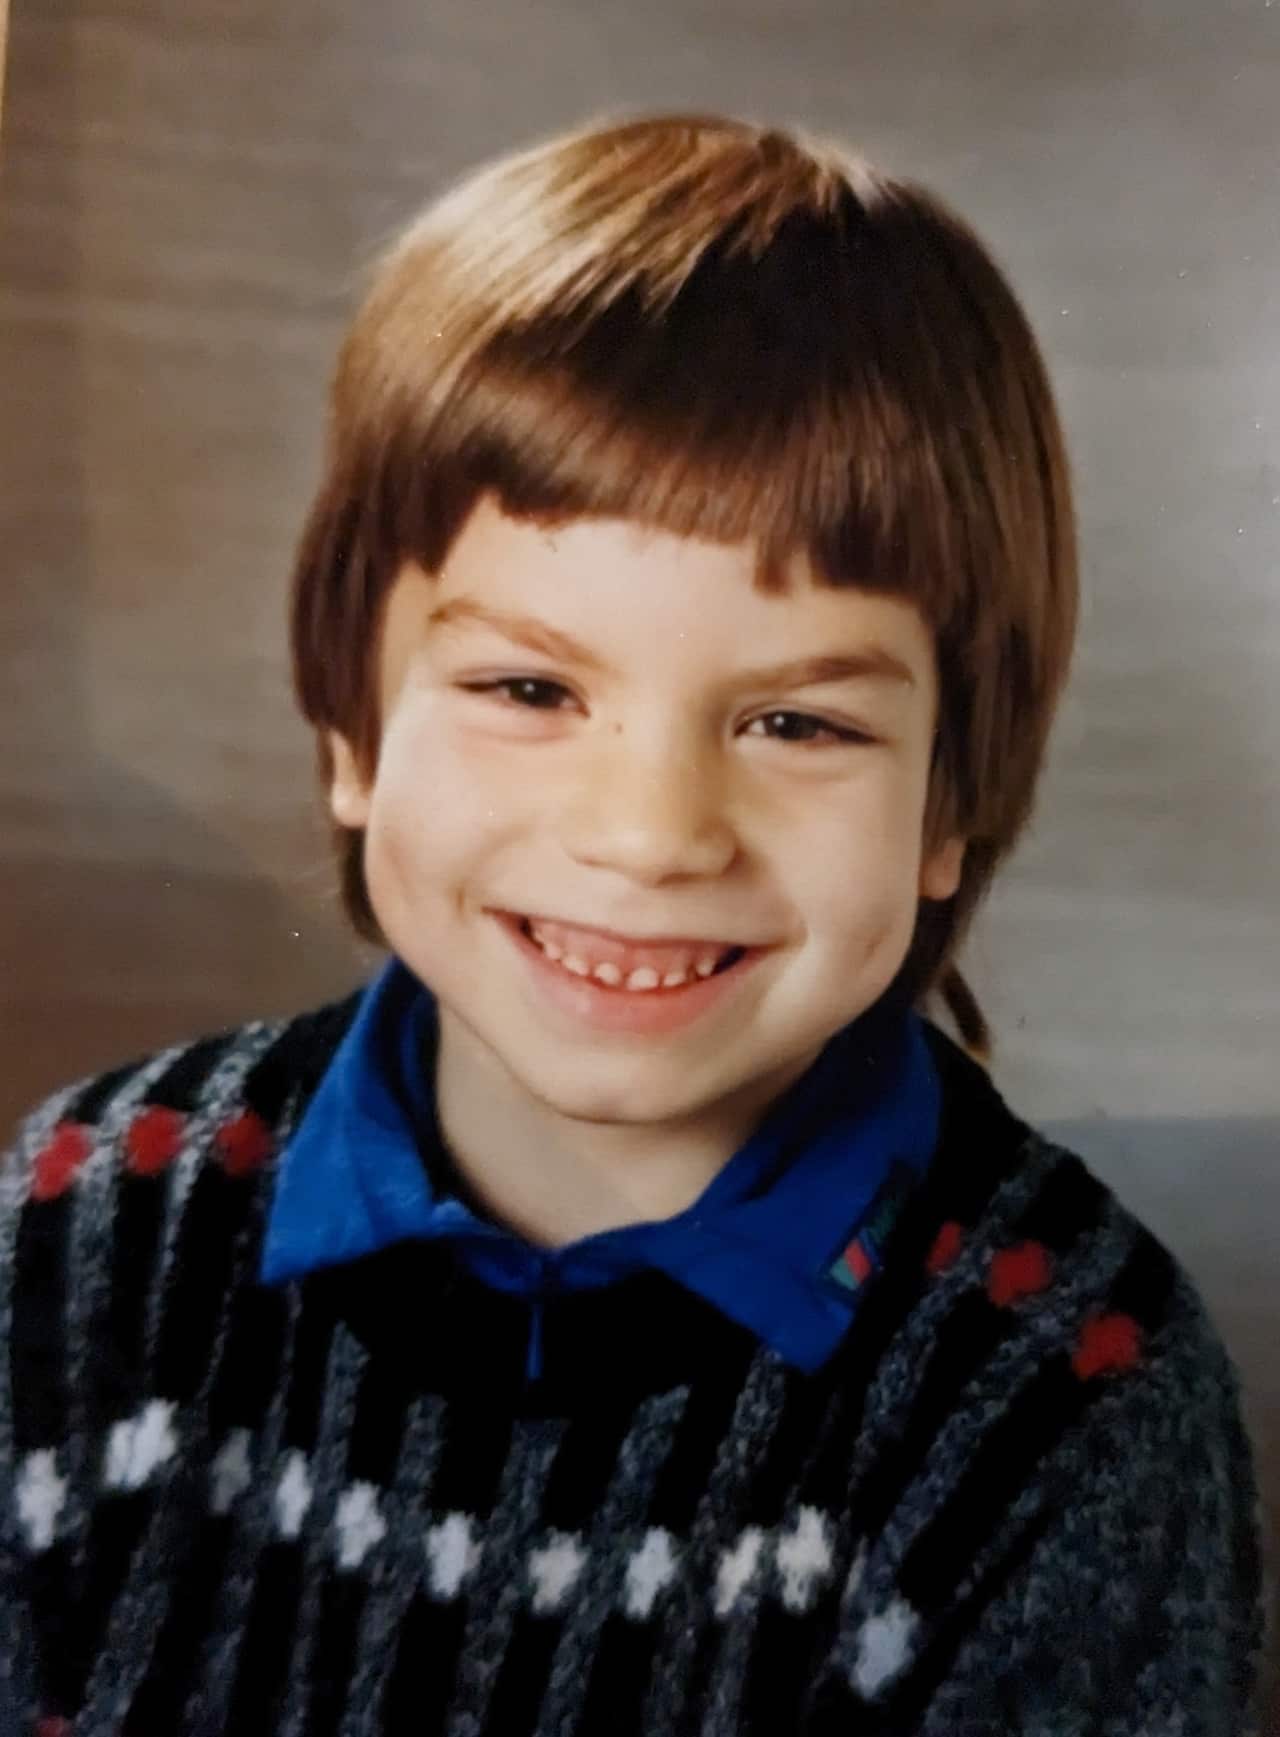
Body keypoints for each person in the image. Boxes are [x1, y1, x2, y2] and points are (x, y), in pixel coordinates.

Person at [0, 110, 1264, 1736]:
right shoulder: (81, 1237)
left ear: (951, 804)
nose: (651, 834)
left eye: (798, 724)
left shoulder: (1074, 1399)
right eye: (531, 688)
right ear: (352, 737)